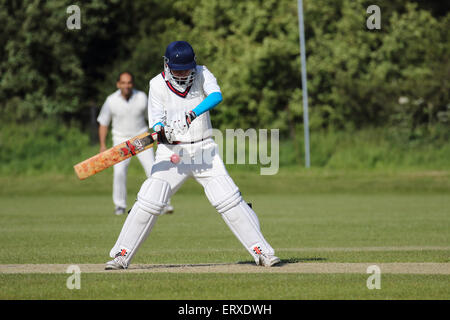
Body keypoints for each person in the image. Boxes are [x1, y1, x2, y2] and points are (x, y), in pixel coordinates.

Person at [105, 41, 280, 269]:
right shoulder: (156, 84)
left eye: (186, 68)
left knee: (228, 198)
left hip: (204, 149)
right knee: (150, 200)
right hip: (171, 153)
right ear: (167, 65)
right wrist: (163, 130)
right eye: (177, 69)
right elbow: (155, 121)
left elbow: (216, 96)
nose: (182, 73)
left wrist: (191, 114)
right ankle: (121, 255)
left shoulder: (202, 73)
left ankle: (263, 253)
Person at [97, 71, 174, 215]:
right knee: (119, 172)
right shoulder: (111, 100)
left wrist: (159, 137)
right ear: (118, 84)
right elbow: (103, 123)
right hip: (121, 139)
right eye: (123, 83)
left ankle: (164, 203)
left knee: (153, 170)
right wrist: (102, 145)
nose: (127, 85)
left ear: (132, 84)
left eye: (129, 82)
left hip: (141, 138)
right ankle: (120, 205)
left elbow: (153, 119)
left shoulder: (141, 97)